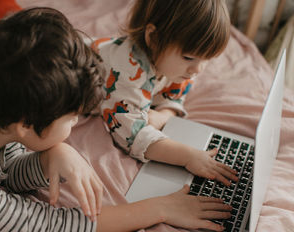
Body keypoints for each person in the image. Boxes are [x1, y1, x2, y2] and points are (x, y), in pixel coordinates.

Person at [0, 3, 233, 232]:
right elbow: (52, 226)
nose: (76, 123)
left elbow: (6, 168)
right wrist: (160, 207)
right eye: (72, 119)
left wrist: (52, 155)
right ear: (27, 124)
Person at [91, 0, 239, 187]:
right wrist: (189, 157)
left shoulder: (174, 66)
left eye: (207, 59)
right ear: (153, 38)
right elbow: (133, 137)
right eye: (189, 58)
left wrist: (165, 115)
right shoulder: (127, 73)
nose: (198, 69)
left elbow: (176, 92)